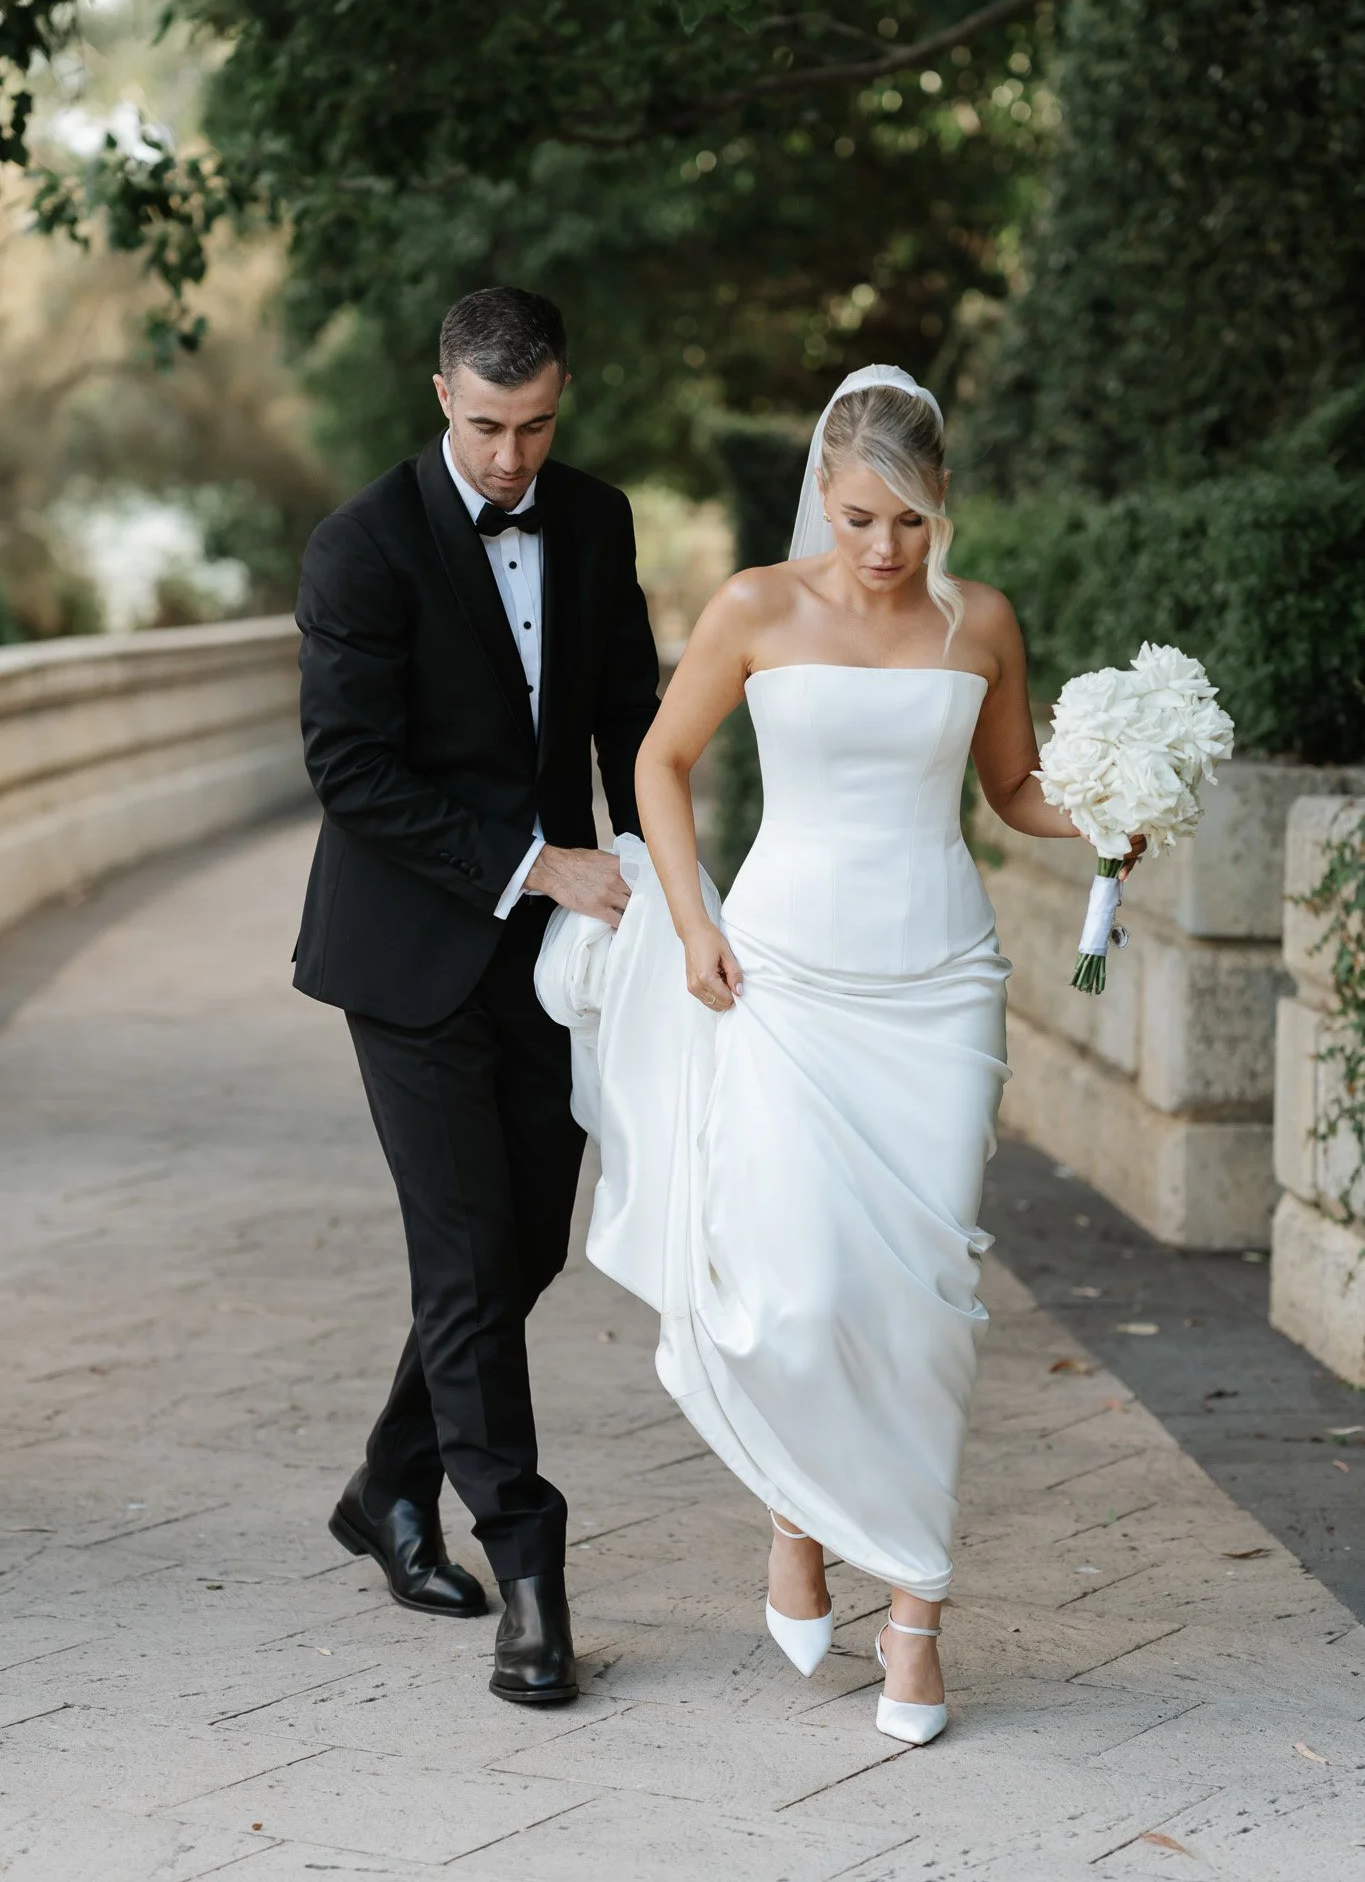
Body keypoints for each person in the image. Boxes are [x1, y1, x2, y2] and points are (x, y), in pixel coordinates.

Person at [537, 365, 1142, 1745]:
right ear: (827, 492)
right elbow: (658, 765)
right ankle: (798, 1515)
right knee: (799, 1294)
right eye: (864, 518)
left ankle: (919, 1610)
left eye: (913, 524)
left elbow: (1011, 789)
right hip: (786, 980)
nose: (885, 551)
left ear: (944, 512)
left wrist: (1112, 808)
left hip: (939, 991)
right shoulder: (755, 606)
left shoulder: (980, 622)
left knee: (921, 1305)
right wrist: (690, 920)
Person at [293, 287, 659, 1706]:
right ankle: (530, 1574)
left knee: (522, 1251)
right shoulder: (361, 547)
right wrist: (538, 864)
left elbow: (629, 715)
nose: (514, 457)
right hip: (405, 955)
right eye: (491, 425)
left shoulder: (598, 517)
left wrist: (659, 870)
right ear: (439, 390)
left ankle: (385, 1481)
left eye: (539, 425)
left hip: (554, 957)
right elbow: (353, 771)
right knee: (462, 1257)